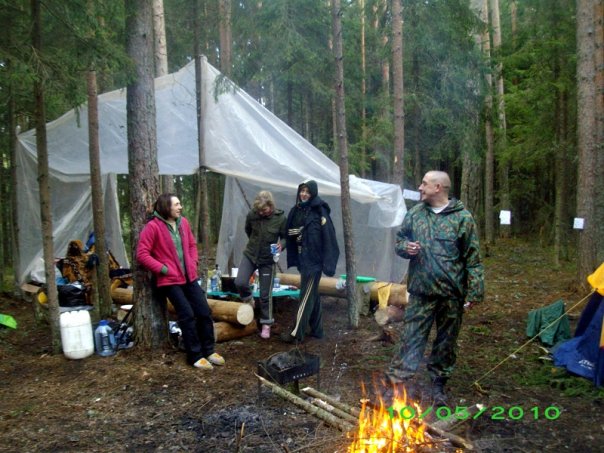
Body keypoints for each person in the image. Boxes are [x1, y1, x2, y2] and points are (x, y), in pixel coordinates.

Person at [385, 170, 484, 405]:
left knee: (446, 342)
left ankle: (438, 385)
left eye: (424, 184)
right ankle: (397, 384)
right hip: (421, 292)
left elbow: (473, 259)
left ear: (438, 187)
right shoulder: (416, 214)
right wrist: (406, 247)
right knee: (411, 338)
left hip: (451, 295)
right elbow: (399, 241)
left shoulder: (462, 218)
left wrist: (475, 291)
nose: (420, 187)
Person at [137, 193, 225, 370]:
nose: (180, 207)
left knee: (204, 311)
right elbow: (142, 254)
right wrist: (163, 269)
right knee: (187, 314)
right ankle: (195, 355)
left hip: (189, 277)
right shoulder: (152, 227)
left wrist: (193, 262)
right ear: (166, 207)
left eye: (180, 204)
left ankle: (209, 350)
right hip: (170, 281)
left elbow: (192, 245)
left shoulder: (183, 223)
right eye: (176, 204)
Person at [283, 180, 339, 343]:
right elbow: (289, 232)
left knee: (305, 296)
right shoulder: (296, 210)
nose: (304, 194)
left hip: (314, 261)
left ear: (313, 193)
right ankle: (317, 330)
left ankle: (296, 333)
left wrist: (327, 262)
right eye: (302, 191)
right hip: (303, 259)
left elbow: (329, 236)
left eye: (307, 192)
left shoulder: (319, 211)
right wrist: (299, 233)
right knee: (311, 293)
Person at [234, 190, 287, 339]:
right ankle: (248, 299)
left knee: (265, 294)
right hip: (250, 255)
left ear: (271, 205)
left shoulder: (280, 218)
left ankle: (266, 324)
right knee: (240, 282)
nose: (262, 213)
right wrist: (256, 242)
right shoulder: (252, 215)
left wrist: (281, 246)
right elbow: (248, 230)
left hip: (267, 260)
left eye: (264, 210)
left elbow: (285, 237)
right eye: (259, 210)